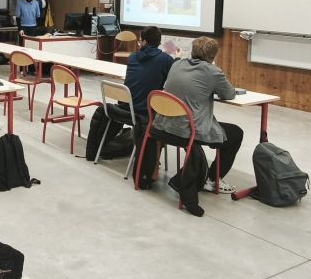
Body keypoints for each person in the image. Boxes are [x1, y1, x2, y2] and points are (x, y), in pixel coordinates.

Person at [149, 36, 244, 217]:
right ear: (213, 56)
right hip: (187, 131)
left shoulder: (177, 64)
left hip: (162, 125)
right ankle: (212, 179)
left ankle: (207, 177)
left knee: (218, 129)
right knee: (236, 133)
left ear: (192, 51)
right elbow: (229, 94)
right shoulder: (213, 72)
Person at [85, 26, 175, 167]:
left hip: (124, 108)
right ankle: (154, 161)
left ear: (144, 41)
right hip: (144, 113)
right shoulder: (167, 60)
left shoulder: (132, 57)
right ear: (159, 42)